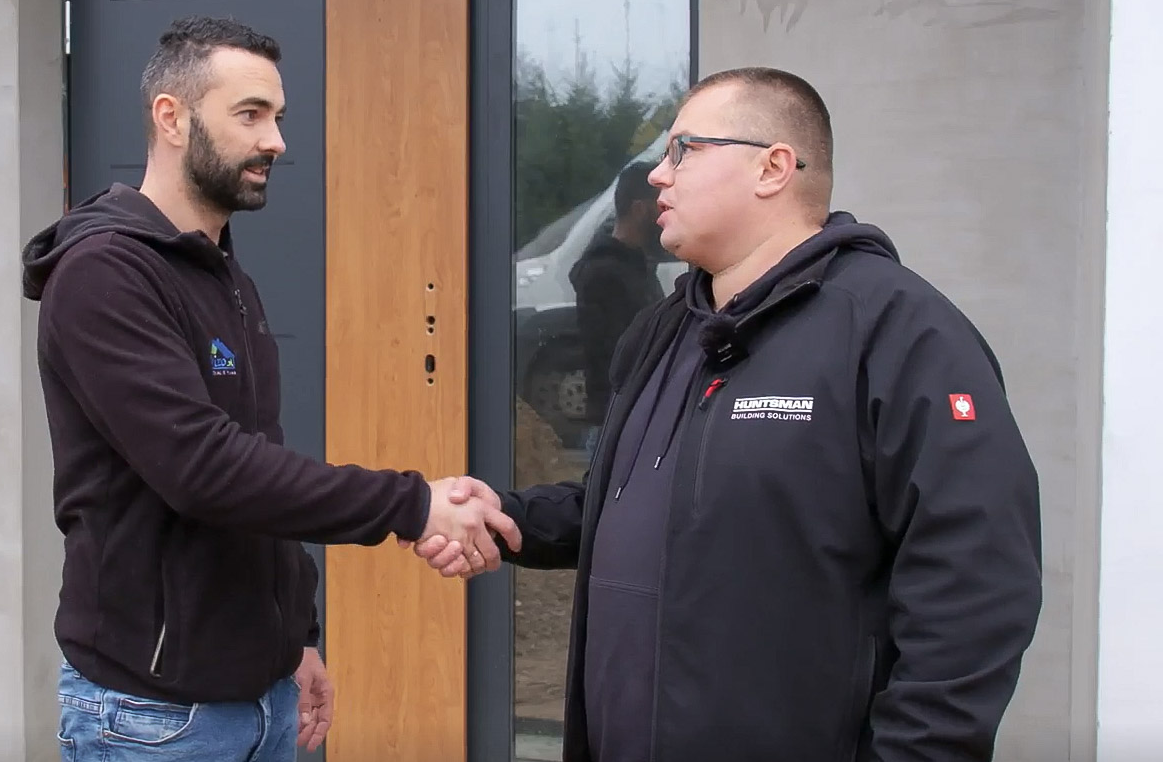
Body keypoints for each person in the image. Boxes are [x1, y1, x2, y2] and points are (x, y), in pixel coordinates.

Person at [417, 67, 1043, 761]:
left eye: (683, 150)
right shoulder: (662, 332)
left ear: (772, 168)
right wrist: (503, 517)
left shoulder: (898, 330)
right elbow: (628, 505)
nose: (658, 175)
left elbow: (976, 582)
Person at [21, 16, 519, 762]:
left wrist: (296, 637)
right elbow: (205, 469)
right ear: (171, 118)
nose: (276, 141)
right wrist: (415, 505)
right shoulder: (105, 274)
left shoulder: (221, 273)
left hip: (263, 697)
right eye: (250, 115)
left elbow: (259, 467)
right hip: (154, 717)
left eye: (277, 117)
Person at [569, 160, 667, 454]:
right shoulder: (605, 275)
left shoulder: (636, 267)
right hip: (616, 421)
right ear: (639, 209)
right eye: (659, 205)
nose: (665, 214)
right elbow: (613, 353)